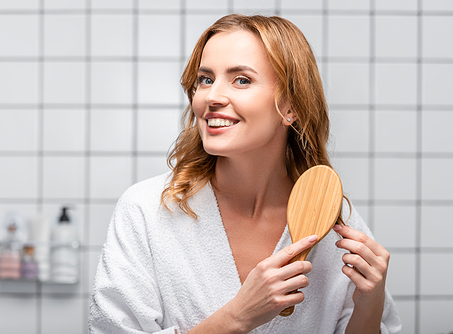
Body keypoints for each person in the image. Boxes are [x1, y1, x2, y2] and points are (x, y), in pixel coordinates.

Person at [89, 14, 402, 334]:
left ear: (290, 106)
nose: (211, 97)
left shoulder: (330, 222)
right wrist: (238, 317)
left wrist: (370, 302)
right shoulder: (145, 210)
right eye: (206, 79)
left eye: (241, 80)